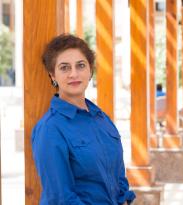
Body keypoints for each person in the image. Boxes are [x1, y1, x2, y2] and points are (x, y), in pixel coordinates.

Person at [31, 34, 136, 205]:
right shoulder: (50, 129)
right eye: (64, 68)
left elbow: (118, 178)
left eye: (80, 65)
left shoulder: (101, 118)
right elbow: (61, 198)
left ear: (90, 71)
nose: (74, 73)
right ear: (52, 76)